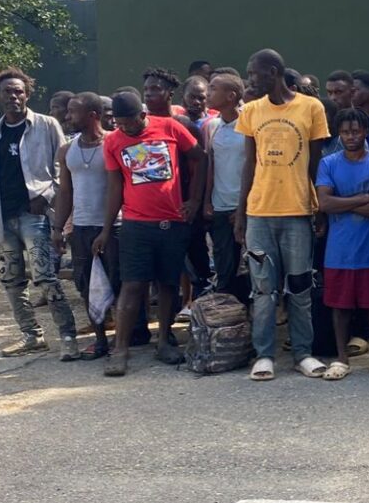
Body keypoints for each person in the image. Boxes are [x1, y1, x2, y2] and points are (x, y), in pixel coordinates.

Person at [234, 48, 331, 381]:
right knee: (263, 290)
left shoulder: (311, 107)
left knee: (300, 287)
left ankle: (303, 353)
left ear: (273, 72)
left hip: (298, 212)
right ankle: (264, 355)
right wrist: (241, 212)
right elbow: (249, 164)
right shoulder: (251, 110)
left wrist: (318, 208)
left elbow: (315, 163)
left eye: (254, 73)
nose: (250, 80)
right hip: (260, 213)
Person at [96, 90, 204, 376]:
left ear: (142, 115)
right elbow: (115, 187)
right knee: (132, 284)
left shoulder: (169, 127)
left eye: (129, 122)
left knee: (168, 283)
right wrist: (106, 229)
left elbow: (200, 158)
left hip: (173, 222)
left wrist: (194, 200)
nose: (124, 128)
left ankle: (164, 341)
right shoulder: (113, 142)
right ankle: (120, 349)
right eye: (119, 123)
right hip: (136, 224)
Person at [0, 68, 78, 359]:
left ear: (27, 94)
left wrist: (46, 195)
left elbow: (63, 167)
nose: (13, 96)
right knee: (11, 280)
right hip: (2, 217)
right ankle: (31, 335)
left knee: (46, 277)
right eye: (7, 92)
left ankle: (68, 336)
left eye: (19, 91)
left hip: (35, 216)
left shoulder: (46, 125)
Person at [315, 107, 369, 381]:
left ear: (366, 132)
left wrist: (343, 203)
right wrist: (363, 198)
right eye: (345, 132)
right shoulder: (328, 164)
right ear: (339, 133)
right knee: (339, 307)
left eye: (356, 131)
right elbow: (324, 203)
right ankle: (341, 359)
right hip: (338, 251)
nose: (350, 136)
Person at [52, 92, 114, 359]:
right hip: (81, 226)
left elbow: (119, 188)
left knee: (120, 282)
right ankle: (100, 340)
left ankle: (128, 338)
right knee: (86, 284)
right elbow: (65, 192)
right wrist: (58, 228)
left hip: (114, 226)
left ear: (93, 115)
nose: (68, 117)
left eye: (73, 112)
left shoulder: (113, 143)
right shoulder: (67, 150)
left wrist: (107, 229)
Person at [201, 70, 246, 296]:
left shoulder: (249, 125)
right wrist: (207, 201)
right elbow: (211, 164)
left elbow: (256, 168)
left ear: (231, 96)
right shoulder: (212, 126)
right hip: (220, 206)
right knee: (224, 266)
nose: (207, 93)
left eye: (213, 89)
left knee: (252, 264)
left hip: (246, 208)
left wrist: (244, 208)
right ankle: (227, 310)